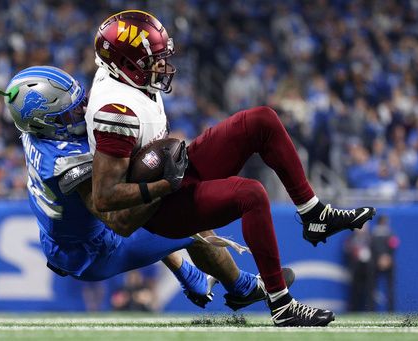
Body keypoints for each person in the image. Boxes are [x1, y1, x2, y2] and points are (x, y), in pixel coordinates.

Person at [86, 10, 376, 326]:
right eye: (152, 60)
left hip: (170, 174)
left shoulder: (124, 77)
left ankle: (314, 213)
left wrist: (169, 173)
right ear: (125, 65)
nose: (162, 65)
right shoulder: (116, 111)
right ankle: (282, 305)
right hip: (155, 210)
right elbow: (105, 198)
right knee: (251, 193)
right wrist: (162, 185)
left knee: (261, 120)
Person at [0, 66, 295, 311]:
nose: (83, 112)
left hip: (62, 238)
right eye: (70, 114)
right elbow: (118, 219)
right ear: (45, 123)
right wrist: (165, 184)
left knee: (162, 211)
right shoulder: (64, 160)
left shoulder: (35, 133)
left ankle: (194, 277)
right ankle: (242, 287)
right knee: (185, 216)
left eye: (81, 103)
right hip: (95, 250)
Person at [371, 215, 399, 312]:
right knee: (385, 287)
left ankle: (373, 310)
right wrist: (386, 257)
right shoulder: (388, 234)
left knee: (378, 287)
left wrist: (382, 258)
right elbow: (394, 245)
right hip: (382, 262)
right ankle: (390, 310)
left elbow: (394, 244)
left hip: (380, 262)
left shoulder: (375, 234)